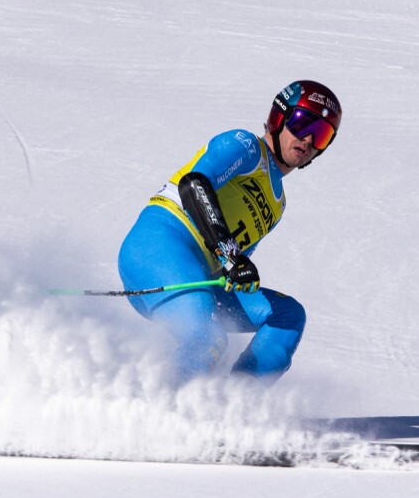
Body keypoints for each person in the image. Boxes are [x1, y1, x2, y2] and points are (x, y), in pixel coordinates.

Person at [117, 80, 342, 386]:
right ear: (280, 118)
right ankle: (167, 417)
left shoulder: (278, 204)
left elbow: (232, 265)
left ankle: (236, 410)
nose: (308, 139)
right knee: (207, 335)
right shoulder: (247, 147)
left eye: (322, 134)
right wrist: (231, 255)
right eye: (304, 123)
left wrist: (234, 265)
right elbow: (194, 185)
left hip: (196, 273)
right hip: (160, 243)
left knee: (287, 316)